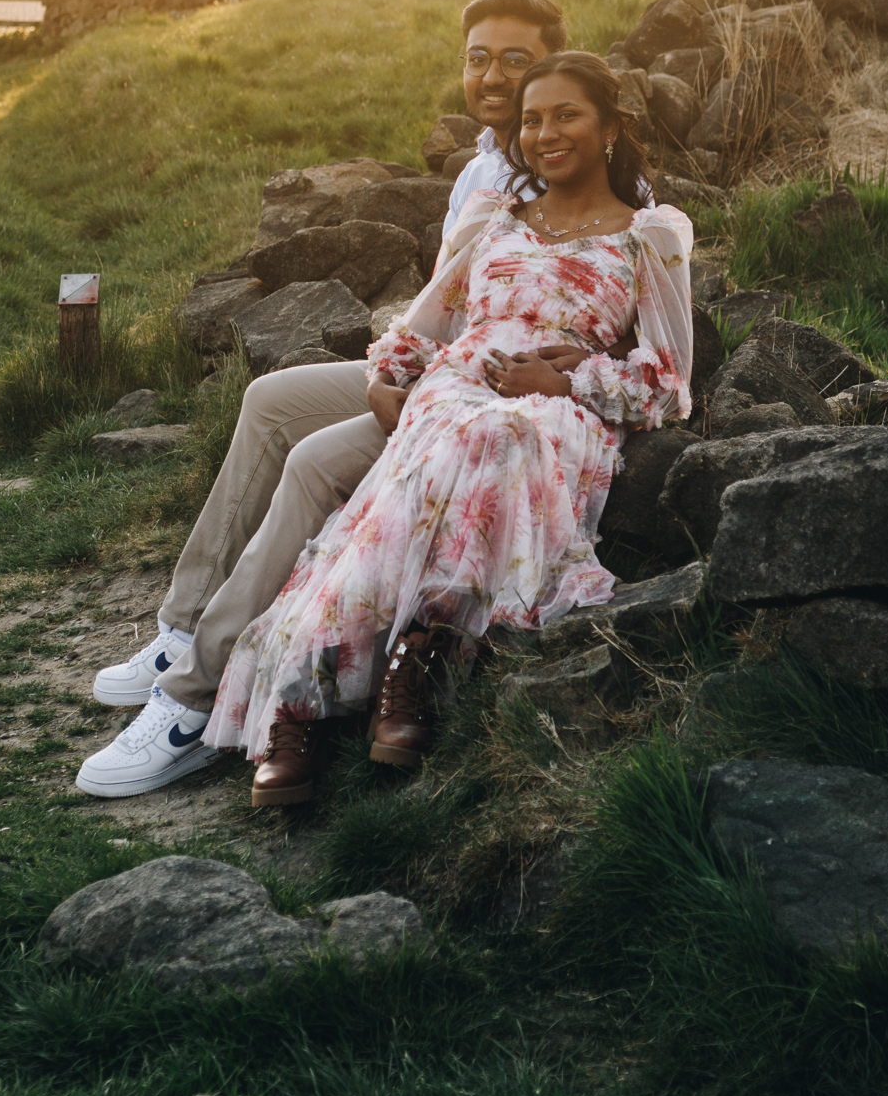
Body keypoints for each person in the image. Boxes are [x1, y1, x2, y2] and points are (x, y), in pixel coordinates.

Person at [75, 0, 571, 798]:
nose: (492, 74)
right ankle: (182, 625)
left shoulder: (561, 169)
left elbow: (592, 301)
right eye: (478, 56)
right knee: (271, 399)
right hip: (430, 366)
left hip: (484, 400)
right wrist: (390, 369)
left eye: (515, 59)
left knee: (312, 458)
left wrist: (431, 380)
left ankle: (193, 701)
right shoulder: (481, 164)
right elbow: (441, 302)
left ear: (549, 65)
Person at [203, 51, 693, 805]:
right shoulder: (492, 219)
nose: (544, 133)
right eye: (531, 119)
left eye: (566, 115)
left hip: (555, 412)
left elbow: (669, 379)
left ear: (608, 130)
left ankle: (414, 653)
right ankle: (304, 691)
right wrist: (385, 375)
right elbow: (426, 318)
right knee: (446, 448)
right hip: (456, 388)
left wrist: (569, 379)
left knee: (500, 436)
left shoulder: (648, 236)